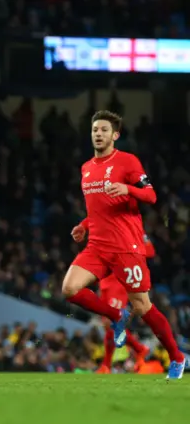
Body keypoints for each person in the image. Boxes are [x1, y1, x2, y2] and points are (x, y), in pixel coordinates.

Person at [64, 110, 186, 380]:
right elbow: (98, 208)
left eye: (104, 130)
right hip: (97, 245)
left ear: (115, 135)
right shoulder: (86, 168)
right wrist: (84, 225)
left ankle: (177, 357)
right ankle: (117, 316)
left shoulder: (127, 161)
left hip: (125, 247)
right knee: (70, 289)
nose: (98, 133)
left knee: (142, 306)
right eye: (95, 129)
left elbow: (152, 196)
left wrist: (128, 189)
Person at [95, 233, 155, 374]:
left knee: (111, 323)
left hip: (118, 284)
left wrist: (143, 237)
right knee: (108, 326)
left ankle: (139, 349)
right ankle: (106, 366)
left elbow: (150, 253)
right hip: (105, 283)